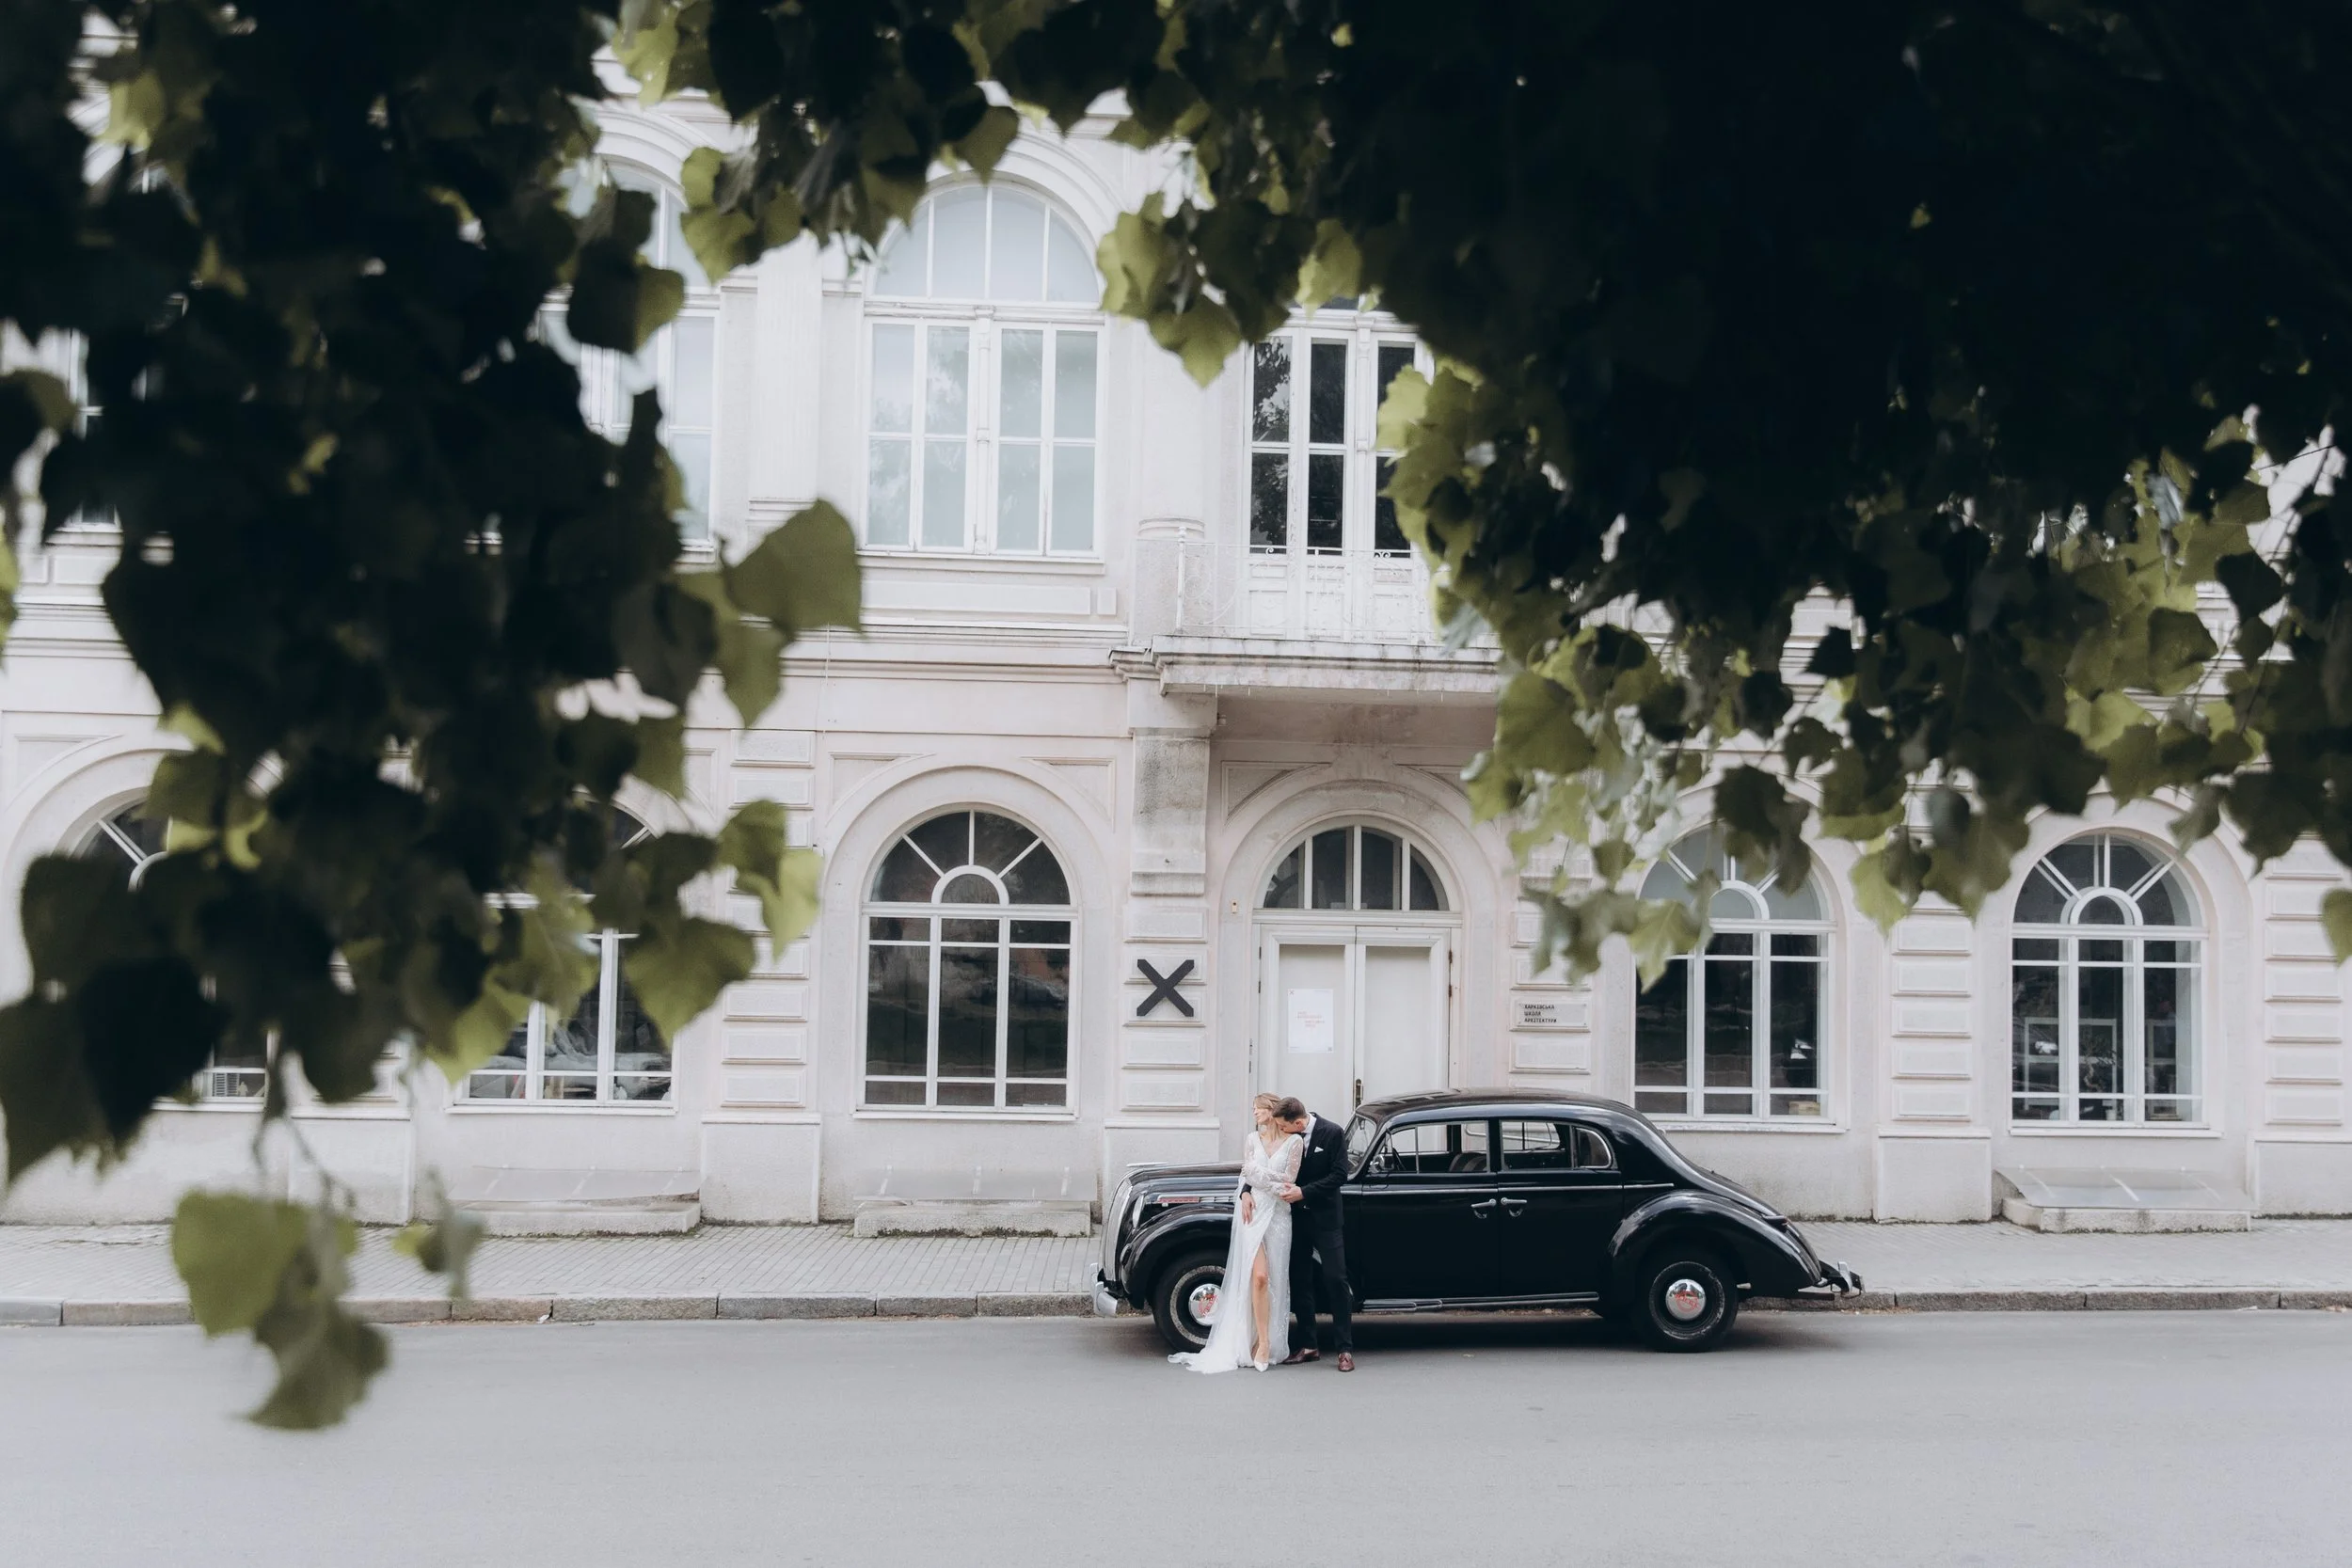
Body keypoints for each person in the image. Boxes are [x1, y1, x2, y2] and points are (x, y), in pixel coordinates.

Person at [1168, 1092, 1301, 1374]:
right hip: (1251, 1214)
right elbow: (1246, 1175)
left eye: (1258, 1108)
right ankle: (1261, 1342)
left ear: (1271, 1110)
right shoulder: (1252, 1140)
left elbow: (1289, 1183)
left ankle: (1265, 1341)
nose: (1254, 1112)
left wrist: (1256, 1177)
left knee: (1274, 1279)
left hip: (1278, 1217)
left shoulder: (1294, 1142)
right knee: (1260, 1277)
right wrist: (1245, 1193)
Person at [1278, 1098, 1356, 1370]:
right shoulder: (1287, 1134)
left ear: (1298, 1122)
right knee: (1300, 1279)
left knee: (1336, 1279)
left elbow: (1339, 1175)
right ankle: (1309, 1345)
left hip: (1326, 1219)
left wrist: (1304, 1192)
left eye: (1284, 1127)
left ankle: (1345, 1350)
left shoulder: (1332, 1132)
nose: (1282, 1131)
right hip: (1298, 1219)